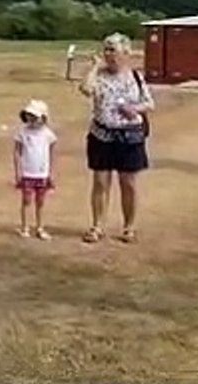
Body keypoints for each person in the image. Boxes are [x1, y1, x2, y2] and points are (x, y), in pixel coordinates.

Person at [78, 32, 154, 244]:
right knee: (100, 182)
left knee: (128, 183)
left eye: (113, 49)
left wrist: (134, 108)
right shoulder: (99, 75)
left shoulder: (135, 77)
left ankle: (129, 226)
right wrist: (94, 66)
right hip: (101, 135)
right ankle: (97, 226)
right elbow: (85, 89)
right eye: (107, 49)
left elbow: (149, 103)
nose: (109, 54)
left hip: (130, 136)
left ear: (126, 53)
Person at [13, 99, 57, 240]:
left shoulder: (48, 134)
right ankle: (25, 227)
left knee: (40, 202)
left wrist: (51, 173)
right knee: (26, 201)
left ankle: (40, 227)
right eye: (29, 116)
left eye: (35, 117)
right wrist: (18, 172)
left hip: (42, 173)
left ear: (43, 118)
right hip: (27, 172)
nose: (31, 119)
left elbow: (51, 154)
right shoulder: (22, 133)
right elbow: (17, 153)